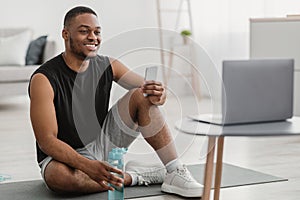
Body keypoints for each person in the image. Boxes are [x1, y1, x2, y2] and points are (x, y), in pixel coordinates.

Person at [29, 6, 203, 197]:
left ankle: (174, 170)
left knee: (141, 94)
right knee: (59, 178)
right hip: (64, 156)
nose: (93, 37)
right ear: (65, 34)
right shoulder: (43, 79)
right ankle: (134, 177)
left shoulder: (108, 64)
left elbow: (148, 91)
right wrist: (87, 166)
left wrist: (159, 94)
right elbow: (47, 141)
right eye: (84, 31)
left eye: (97, 32)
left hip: (101, 142)